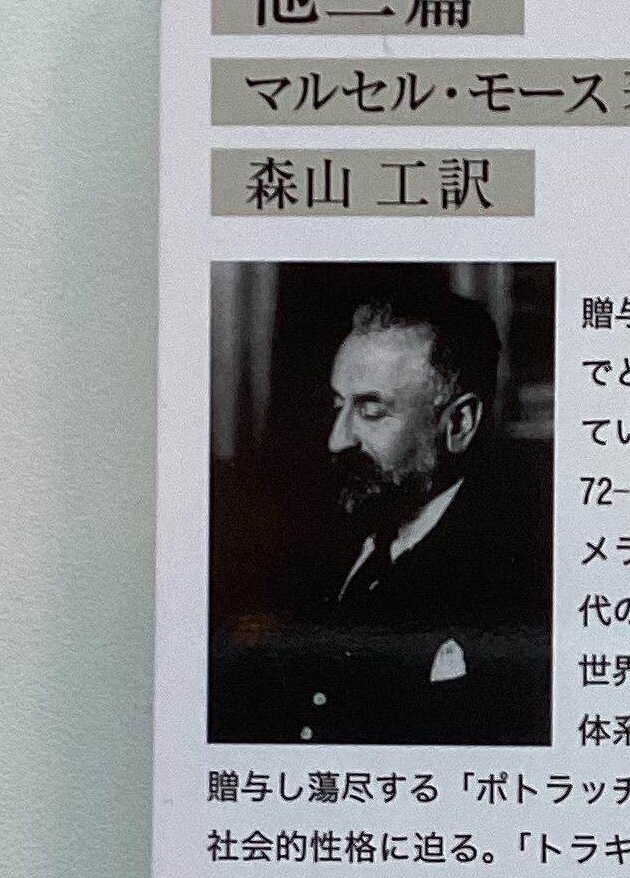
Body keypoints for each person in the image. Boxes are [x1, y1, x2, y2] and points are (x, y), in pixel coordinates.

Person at [208, 285, 552, 745]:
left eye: (371, 412)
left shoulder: (511, 587)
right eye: (338, 407)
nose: (337, 440)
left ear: (458, 424)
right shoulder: (312, 535)